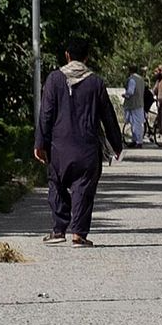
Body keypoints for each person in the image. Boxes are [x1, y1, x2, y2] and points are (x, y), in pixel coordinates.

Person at [34, 37, 123, 247]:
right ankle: (79, 235)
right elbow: (108, 117)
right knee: (83, 188)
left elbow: (45, 114)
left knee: (56, 183)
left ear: (67, 55)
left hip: (59, 148)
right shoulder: (96, 83)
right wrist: (116, 145)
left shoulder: (55, 80)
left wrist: (40, 143)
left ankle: (58, 229)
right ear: (87, 57)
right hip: (87, 149)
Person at [121, 65, 147, 148]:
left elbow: (130, 92)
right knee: (137, 123)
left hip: (133, 104)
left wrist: (125, 95)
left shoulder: (132, 79)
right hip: (140, 103)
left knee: (135, 124)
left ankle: (138, 141)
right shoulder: (141, 79)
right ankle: (135, 140)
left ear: (130, 71)